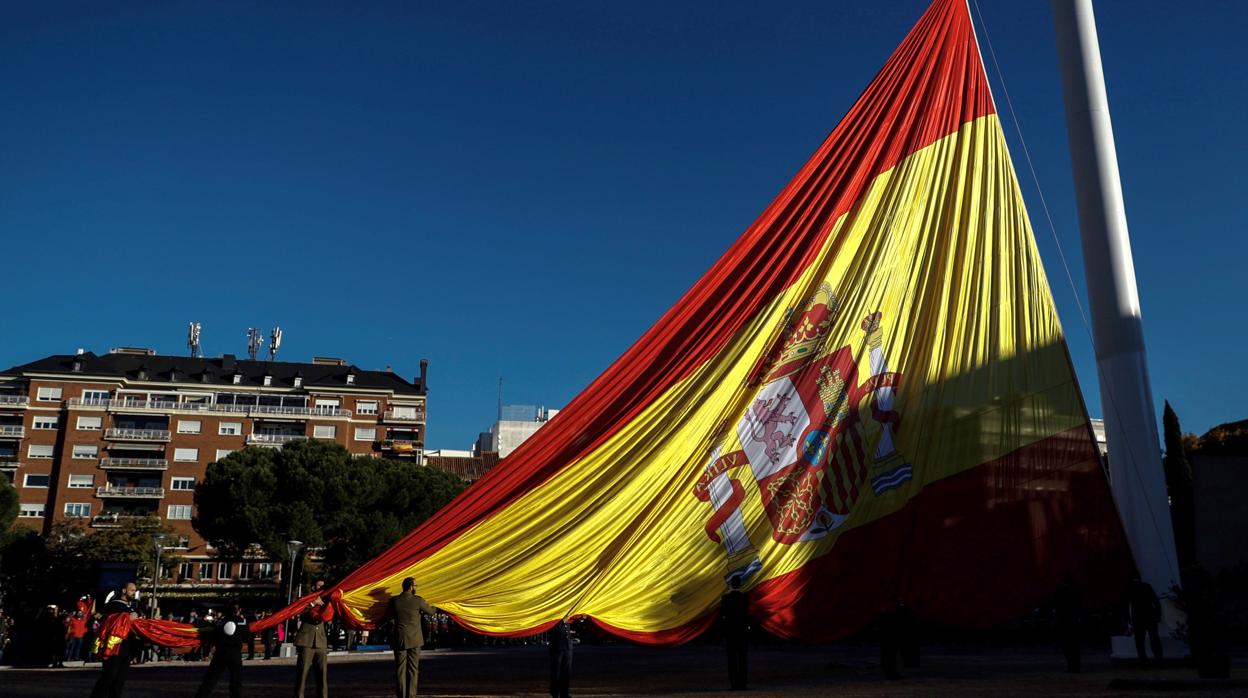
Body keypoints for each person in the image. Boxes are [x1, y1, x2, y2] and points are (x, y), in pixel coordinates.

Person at [386, 577, 434, 698]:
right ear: (411, 587)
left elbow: (387, 616)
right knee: (413, 669)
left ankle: (401, 695)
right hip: (415, 639)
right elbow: (431, 612)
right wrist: (439, 605)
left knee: (400, 669)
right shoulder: (417, 601)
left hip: (399, 639)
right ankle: (411, 695)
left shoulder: (394, 601)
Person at [91, 582, 140, 698]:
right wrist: (128, 617)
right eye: (132, 590)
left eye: (135, 590)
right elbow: (108, 621)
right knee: (109, 676)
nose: (134, 593)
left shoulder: (131, 607)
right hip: (114, 647)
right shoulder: (113, 606)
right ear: (124, 591)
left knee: (120, 680)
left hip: (127, 648)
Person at [195, 604, 247, 698]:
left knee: (210, 679)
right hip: (234, 653)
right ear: (239, 610)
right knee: (236, 680)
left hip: (220, 653)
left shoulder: (220, 622)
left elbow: (214, 635)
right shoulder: (241, 621)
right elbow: (247, 636)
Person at [294, 595, 330, 698]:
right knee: (302, 673)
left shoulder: (326, 600)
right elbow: (299, 611)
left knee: (322, 674)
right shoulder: (305, 599)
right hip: (306, 641)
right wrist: (313, 603)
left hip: (321, 641)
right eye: (319, 585)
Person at [1126, 575, 1163, 666]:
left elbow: (1125, 605)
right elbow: (1155, 601)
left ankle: (1144, 662)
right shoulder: (1146, 586)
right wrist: (1158, 615)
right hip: (1149, 616)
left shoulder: (1130, 588)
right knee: (1154, 639)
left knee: (1140, 641)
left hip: (1138, 618)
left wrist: (1128, 618)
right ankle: (1158, 660)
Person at [721, 577, 749, 690]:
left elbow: (723, 615)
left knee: (731, 659)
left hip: (730, 631)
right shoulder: (745, 598)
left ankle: (734, 684)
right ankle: (743, 684)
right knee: (742, 658)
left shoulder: (725, 598)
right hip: (742, 631)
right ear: (740, 585)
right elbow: (746, 614)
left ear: (731, 585)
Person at [1054, 575, 1082, 673]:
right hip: (1073, 621)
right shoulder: (1075, 591)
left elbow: (1058, 607)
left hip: (1065, 621)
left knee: (1067, 646)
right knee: (1074, 646)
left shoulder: (1060, 591)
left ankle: (1071, 666)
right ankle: (1075, 667)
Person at [548, 619, 573, 698]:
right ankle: (555, 694)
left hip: (568, 647)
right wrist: (562, 622)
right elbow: (551, 629)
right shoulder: (555, 615)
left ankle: (564, 694)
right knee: (556, 672)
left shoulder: (568, 617)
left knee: (566, 672)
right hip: (557, 647)